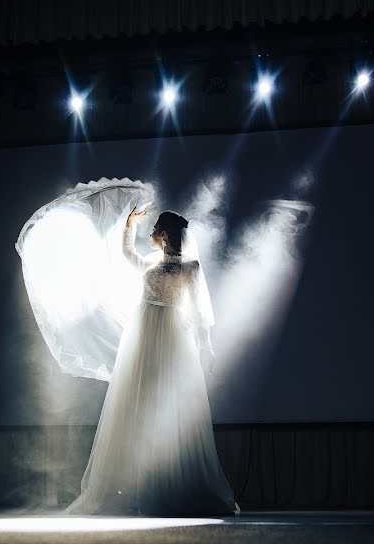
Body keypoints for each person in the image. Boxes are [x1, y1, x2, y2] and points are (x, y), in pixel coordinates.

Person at [63, 206, 240, 517]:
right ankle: (131, 486)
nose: (154, 230)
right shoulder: (154, 261)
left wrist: (206, 347)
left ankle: (167, 484)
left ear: (165, 234)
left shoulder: (191, 267)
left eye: (157, 227)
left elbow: (199, 313)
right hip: (143, 333)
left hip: (170, 334)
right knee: (137, 398)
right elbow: (129, 256)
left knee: (165, 403)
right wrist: (129, 225)